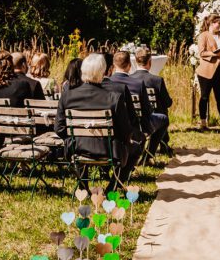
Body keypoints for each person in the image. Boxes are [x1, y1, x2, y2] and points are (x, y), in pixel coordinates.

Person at [55, 53, 134, 188]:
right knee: (135, 145)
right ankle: (112, 186)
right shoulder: (114, 98)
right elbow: (126, 131)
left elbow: (59, 128)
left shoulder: (67, 96)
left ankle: (83, 186)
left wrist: (75, 139)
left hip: (76, 148)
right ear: (103, 72)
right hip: (108, 150)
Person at [110, 50, 167, 156]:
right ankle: (150, 153)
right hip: (136, 126)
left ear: (113, 65)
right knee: (163, 118)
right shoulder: (137, 84)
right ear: (129, 65)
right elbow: (147, 109)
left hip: (113, 124)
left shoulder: (108, 82)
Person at [133, 47, 174, 156]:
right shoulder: (157, 80)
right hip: (152, 118)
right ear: (149, 62)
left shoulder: (129, 79)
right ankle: (152, 151)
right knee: (163, 113)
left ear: (136, 61)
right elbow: (168, 103)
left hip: (134, 118)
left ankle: (164, 143)